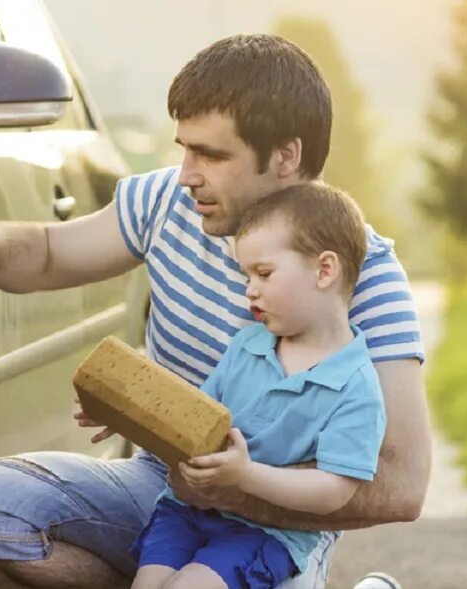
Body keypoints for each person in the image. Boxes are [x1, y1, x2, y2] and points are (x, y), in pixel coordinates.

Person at [0, 34, 431, 589]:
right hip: (164, 488)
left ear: (286, 156)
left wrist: (238, 487)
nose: (187, 173)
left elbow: (401, 486)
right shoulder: (168, 201)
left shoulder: (363, 274)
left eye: (213, 155)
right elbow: (48, 254)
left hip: (279, 527)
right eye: (185, 148)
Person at [131, 183, 387, 589]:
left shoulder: (355, 386)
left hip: (264, 532)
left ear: (324, 270)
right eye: (246, 274)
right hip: (186, 511)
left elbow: (334, 491)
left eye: (263, 273)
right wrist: (124, 411)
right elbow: (195, 417)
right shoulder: (248, 345)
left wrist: (245, 475)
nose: (250, 289)